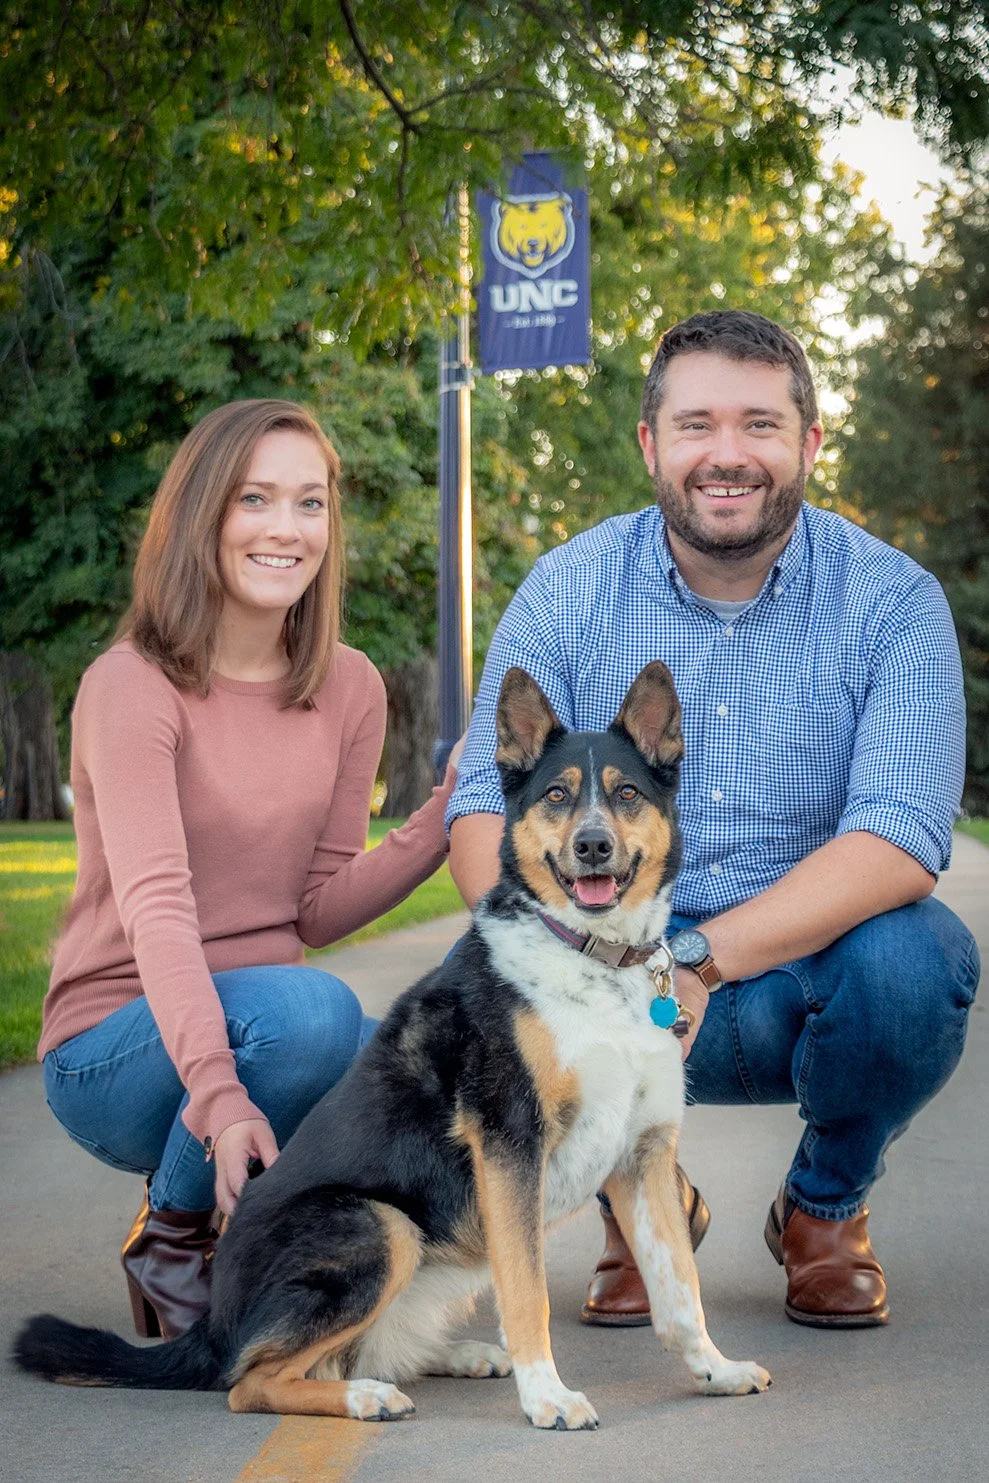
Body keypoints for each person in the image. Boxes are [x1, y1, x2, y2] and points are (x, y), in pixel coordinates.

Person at [446, 310, 981, 1330]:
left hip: (796, 976)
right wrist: (560, 958)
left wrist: (691, 958)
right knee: (503, 966)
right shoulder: (566, 589)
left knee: (919, 963)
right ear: (650, 444)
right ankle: (634, 1203)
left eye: (759, 425)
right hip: (604, 976)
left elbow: (903, 830)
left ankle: (821, 1209)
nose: (725, 456)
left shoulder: (891, 600)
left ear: (809, 444)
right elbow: (482, 803)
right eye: (695, 425)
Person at [39, 399, 460, 1341]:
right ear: (202, 516)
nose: (285, 529)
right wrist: (219, 1096)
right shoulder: (131, 684)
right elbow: (156, 909)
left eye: (309, 504)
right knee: (314, 1018)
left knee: (398, 1060)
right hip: (116, 1044)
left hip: (265, 1027)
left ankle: (300, 1257)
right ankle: (176, 1233)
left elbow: (315, 907)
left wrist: (443, 814)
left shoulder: (348, 685)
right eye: (255, 498)